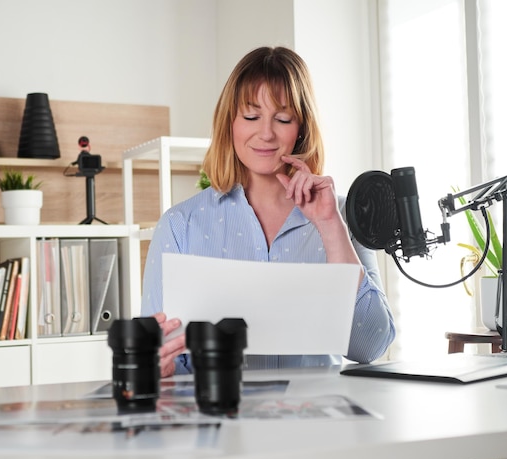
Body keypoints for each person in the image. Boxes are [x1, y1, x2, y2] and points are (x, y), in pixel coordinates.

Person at [141, 46, 395, 378]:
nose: (266, 133)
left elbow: (370, 345)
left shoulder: (341, 214)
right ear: (229, 123)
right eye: (251, 116)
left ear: (301, 126)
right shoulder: (180, 225)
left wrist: (331, 226)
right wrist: (157, 362)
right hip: (216, 419)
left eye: (282, 118)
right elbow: (159, 353)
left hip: (315, 420)